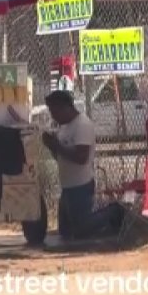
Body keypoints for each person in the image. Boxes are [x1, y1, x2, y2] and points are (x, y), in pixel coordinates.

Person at [42, 90, 96, 241]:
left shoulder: (82, 125)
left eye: (54, 111)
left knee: (81, 230)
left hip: (81, 184)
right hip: (67, 186)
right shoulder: (64, 127)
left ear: (65, 108)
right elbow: (61, 157)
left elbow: (81, 157)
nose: (53, 116)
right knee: (65, 231)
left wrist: (57, 146)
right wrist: (52, 146)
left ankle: (114, 214)